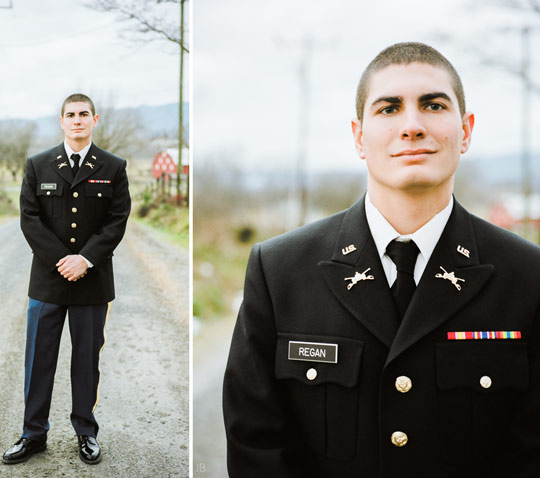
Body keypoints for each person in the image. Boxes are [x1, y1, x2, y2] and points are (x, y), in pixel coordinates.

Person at [223, 42, 540, 477]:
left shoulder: (528, 276)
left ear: (465, 130)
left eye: (432, 105)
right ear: (358, 136)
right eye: (388, 109)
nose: (411, 126)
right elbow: (256, 447)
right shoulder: (278, 271)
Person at [2, 93, 131, 466]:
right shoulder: (38, 165)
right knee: (38, 359)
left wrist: (86, 259)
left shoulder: (114, 166)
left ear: (95, 119)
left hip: (92, 282)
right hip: (47, 281)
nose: (77, 120)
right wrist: (63, 260)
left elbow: (116, 220)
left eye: (84, 114)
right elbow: (30, 219)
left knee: (86, 361)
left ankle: (86, 433)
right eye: (71, 115)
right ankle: (33, 435)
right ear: (62, 121)